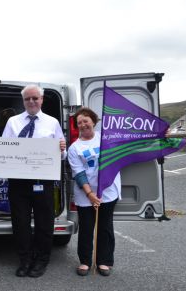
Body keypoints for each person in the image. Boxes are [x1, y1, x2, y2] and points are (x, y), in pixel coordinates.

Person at [2, 84, 67, 278]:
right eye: (27, 99)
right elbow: (3, 149)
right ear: (23, 101)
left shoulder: (53, 122)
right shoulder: (13, 122)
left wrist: (62, 148)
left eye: (34, 98)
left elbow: (62, 157)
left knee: (44, 223)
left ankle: (41, 260)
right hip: (18, 182)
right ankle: (25, 260)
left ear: (41, 100)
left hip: (43, 181)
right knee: (20, 223)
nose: (31, 102)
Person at [67, 107, 121, 277]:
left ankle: (104, 261)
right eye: (79, 123)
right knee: (86, 228)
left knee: (105, 227)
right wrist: (90, 194)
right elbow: (79, 173)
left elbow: (120, 157)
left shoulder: (106, 139)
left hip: (108, 191)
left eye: (86, 121)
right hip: (86, 195)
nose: (83, 125)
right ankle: (85, 261)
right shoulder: (74, 148)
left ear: (93, 121)